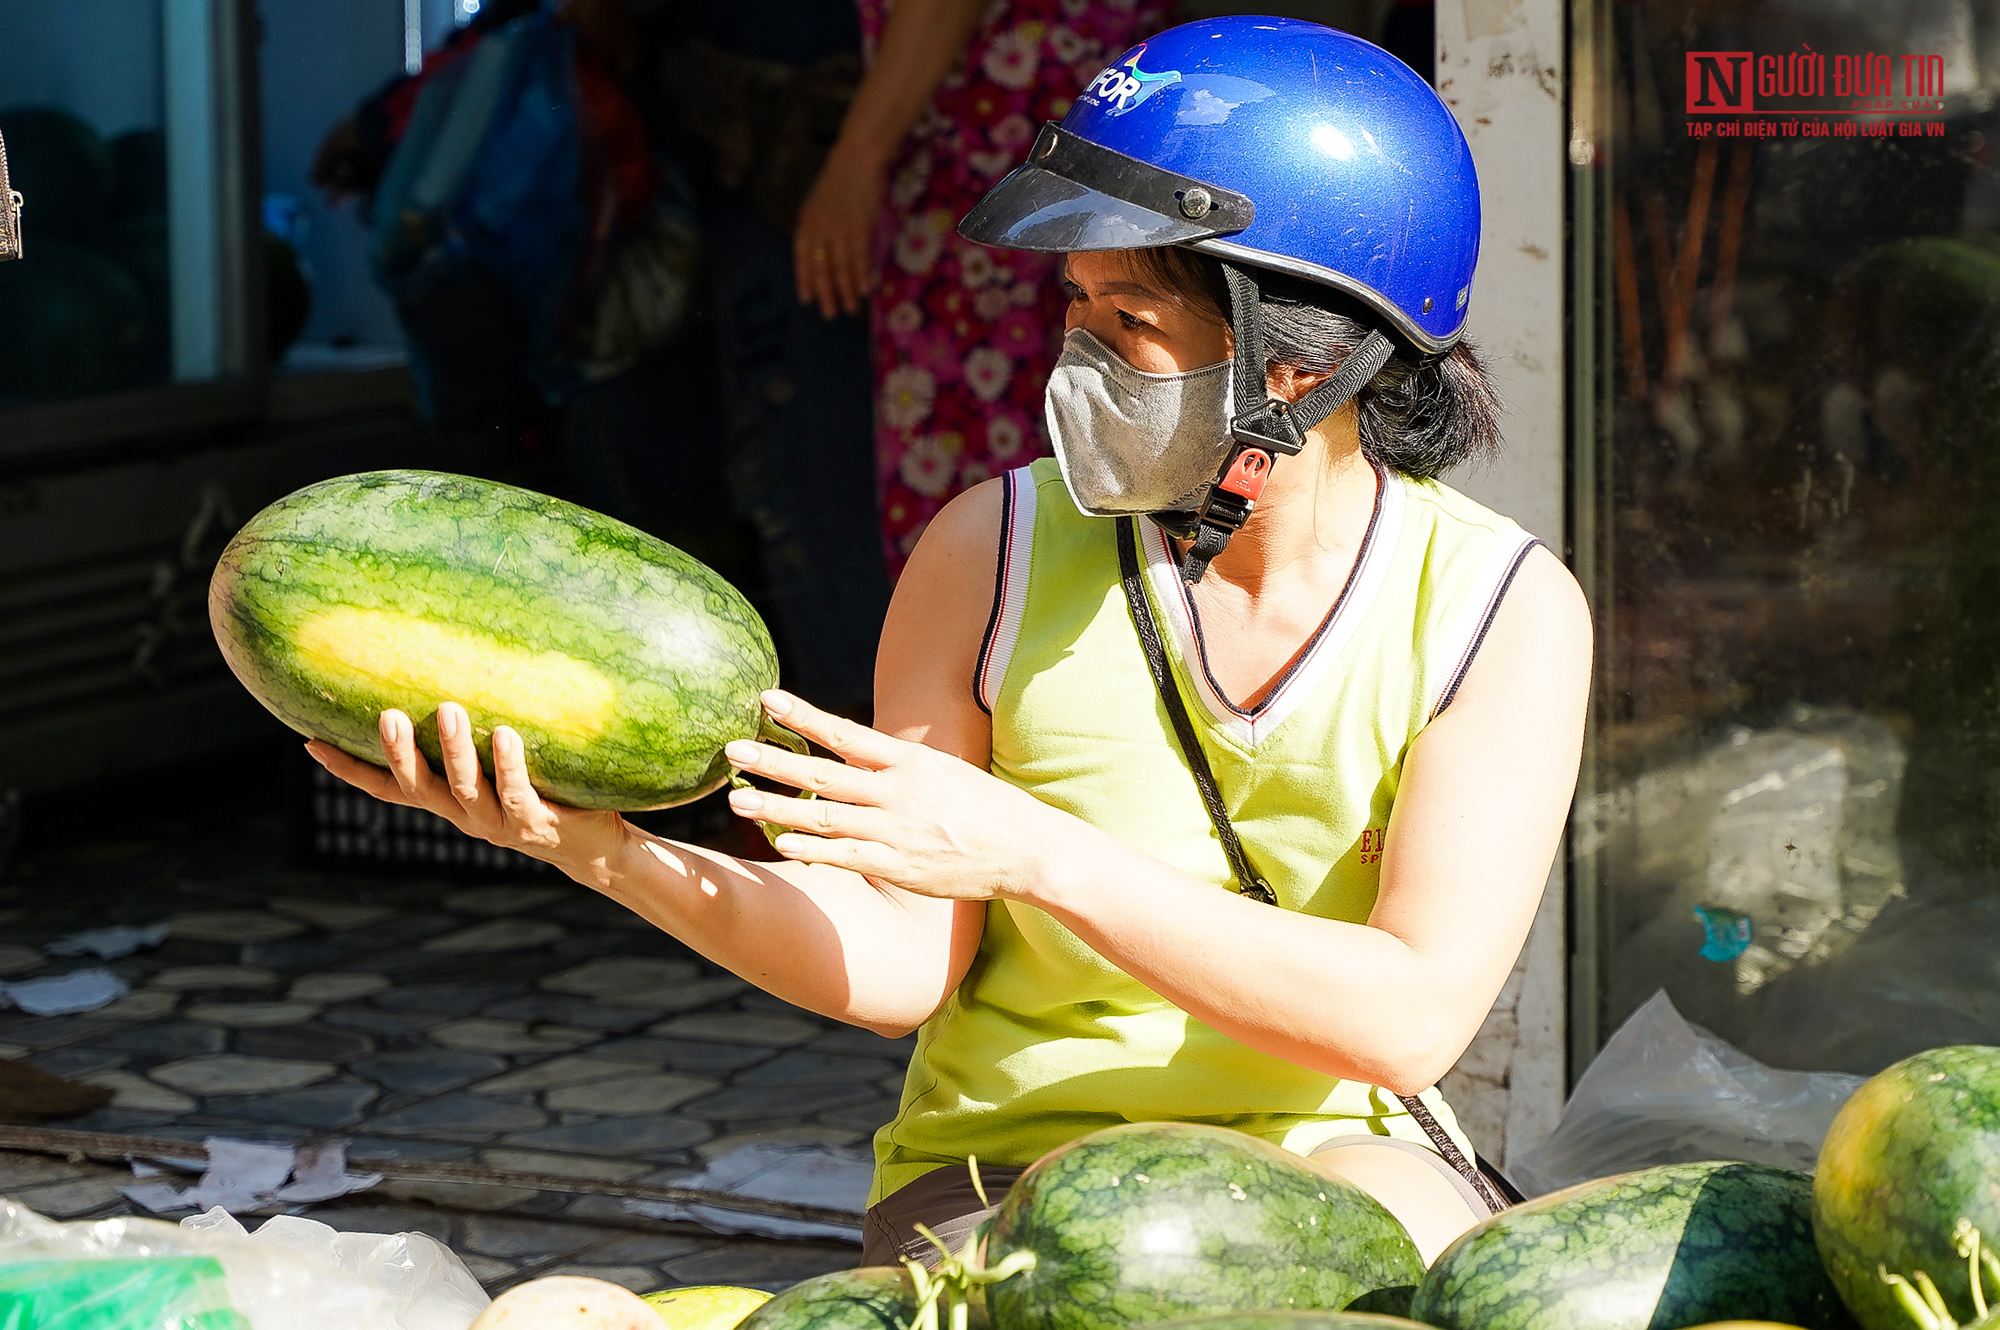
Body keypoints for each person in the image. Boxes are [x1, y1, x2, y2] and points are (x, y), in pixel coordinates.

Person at [307, 17, 1590, 1268]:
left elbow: (1409, 1017)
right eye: (1072, 305)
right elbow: (898, 960)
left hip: (1332, 1154)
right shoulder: (987, 552)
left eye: (1126, 325)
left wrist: (1029, 849)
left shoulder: (1498, 611)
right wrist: (597, 850)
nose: (1073, 362)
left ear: (1299, 362)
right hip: (1002, 1176)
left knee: (1406, 1261)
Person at [791, 0, 1168, 576]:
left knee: (993, 464)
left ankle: (992, 638)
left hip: (998, 149)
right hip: (1059, 138)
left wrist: (856, 157)